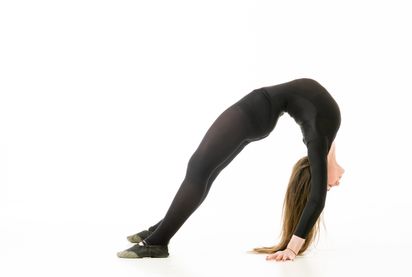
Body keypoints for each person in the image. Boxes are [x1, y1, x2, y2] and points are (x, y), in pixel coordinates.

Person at [117, 78, 344, 261]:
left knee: (198, 169)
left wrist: (293, 249)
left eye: (328, 186)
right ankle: (159, 229)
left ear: (315, 174)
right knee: (205, 172)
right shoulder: (326, 141)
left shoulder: (318, 141)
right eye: (330, 186)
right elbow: (318, 191)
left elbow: (316, 200)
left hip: (255, 112)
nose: (335, 184)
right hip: (258, 112)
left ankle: (158, 242)